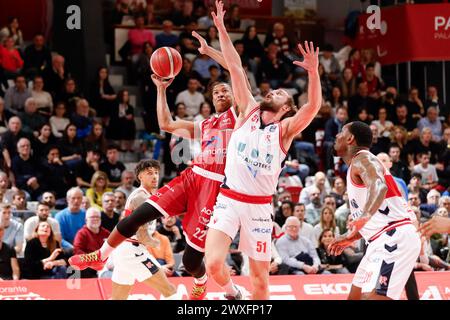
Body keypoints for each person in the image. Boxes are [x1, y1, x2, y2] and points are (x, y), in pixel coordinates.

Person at [69, 25, 239, 301]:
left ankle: (201, 281)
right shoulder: (205, 123)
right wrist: (161, 89)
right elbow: (166, 123)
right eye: (217, 92)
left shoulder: (239, 117)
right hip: (193, 176)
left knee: (192, 262)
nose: (221, 94)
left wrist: (212, 48)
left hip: (215, 188)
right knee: (135, 217)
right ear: (210, 99)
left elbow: (236, 69)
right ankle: (101, 255)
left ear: (234, 97)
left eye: (225, 91)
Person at [205, 0, 321, 300]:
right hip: (229, 199)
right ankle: (232, 294)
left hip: (258, 207)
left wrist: (313, 73)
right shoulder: (248, 110)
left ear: (285, 109)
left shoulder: (284, 132)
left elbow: (312, 107)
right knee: (213, 264)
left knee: (260, 281)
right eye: (274, 90)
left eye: (280, 94)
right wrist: (220, 27)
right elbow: (234, 66)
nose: (273, 92)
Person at [329, 121, 420, 300]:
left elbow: (379, 187)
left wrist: (363, 218)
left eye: (341, 132)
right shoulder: (357, 165)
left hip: (393, 237)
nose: (336, 137)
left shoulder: (364, 158)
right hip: (380, 238)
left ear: (350, 138)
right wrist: (351, 236)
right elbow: (378, 218)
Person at [108, 159, 177, 300]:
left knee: (118, 298)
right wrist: (156, 243)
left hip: (125, 250)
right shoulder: (141, 196)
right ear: (140, 177)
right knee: (170, 290)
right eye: (149, 173)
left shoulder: (147, 195)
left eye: (156, 173)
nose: (154, 176)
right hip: (133, 250)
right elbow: (142, 234)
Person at [73, 207, 110, 278]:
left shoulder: (106, 233)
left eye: (97, 217)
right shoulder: (81, 233)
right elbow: (77, 251)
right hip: (90, 264)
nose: (95, 219)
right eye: (92, 217)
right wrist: (93, 260)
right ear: (86, 220)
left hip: (107, 261)